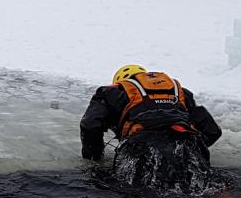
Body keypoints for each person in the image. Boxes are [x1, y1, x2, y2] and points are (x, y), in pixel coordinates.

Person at [80, 65, 223, 190]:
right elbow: (212, 131)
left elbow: (90, 124)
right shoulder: (180, 92)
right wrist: (194, 148)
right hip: (187, 144)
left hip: (142, 147)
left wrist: (94, 159)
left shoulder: (111, 92)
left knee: (137, 194)